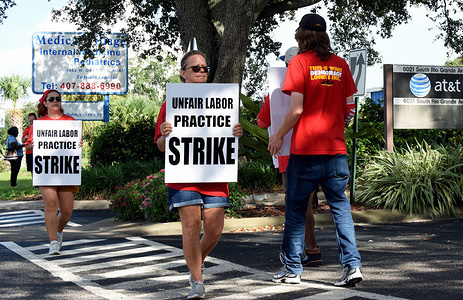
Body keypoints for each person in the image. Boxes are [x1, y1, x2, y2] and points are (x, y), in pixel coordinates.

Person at [268, 13, 362, 287]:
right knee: (341, 209)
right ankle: (352, 266)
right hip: (335, 151)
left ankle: (293, 270)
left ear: (302, 35)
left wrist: (278, 135)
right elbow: (349, 109)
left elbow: (296, 108)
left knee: (296, 210)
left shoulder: (299, 63)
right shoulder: (341, 64)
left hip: (306, 151)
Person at [155, 50, 244, 299]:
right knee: (191, 226)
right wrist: (165, 133)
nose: (202, 71)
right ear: (183, 73)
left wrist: (236, 132)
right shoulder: (169, 104)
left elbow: (229, 137)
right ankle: (197, 280)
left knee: (214, 231)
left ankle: (195, 262)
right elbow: (161, 145)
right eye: (196, 68)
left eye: (205, 68)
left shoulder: (221, 100)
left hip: (214, 174)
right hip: (183, 175)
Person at [257, 46, 322, 267]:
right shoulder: (315, 87)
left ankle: (301, 253)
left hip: (288, 155)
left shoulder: (274, 94)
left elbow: (262, 123)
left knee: (297, 206)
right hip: (315, 150)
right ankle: (311, 249)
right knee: (307, 206)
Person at [25, 89, 81, 256]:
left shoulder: (70, 121)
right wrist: (32, 144)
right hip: (46, 169)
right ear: (45, 103)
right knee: (50, 204)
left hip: (66, 169)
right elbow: (27, 145)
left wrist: (79, 143)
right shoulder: (39, 124)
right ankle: (53, 243)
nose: (55, 101)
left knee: (67, 211)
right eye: (51, 99)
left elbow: (75, 142)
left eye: (58, 98)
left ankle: (58, 231)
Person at [22, 113, 37, 178]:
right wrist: (26, 137)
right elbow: (22, 140)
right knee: (31, 168)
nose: (31, 122)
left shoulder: (39, 127)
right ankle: (34, 183)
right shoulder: (27, 129)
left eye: (32, 120)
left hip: (37, 151)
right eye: (30, 120)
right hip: (29, 152)